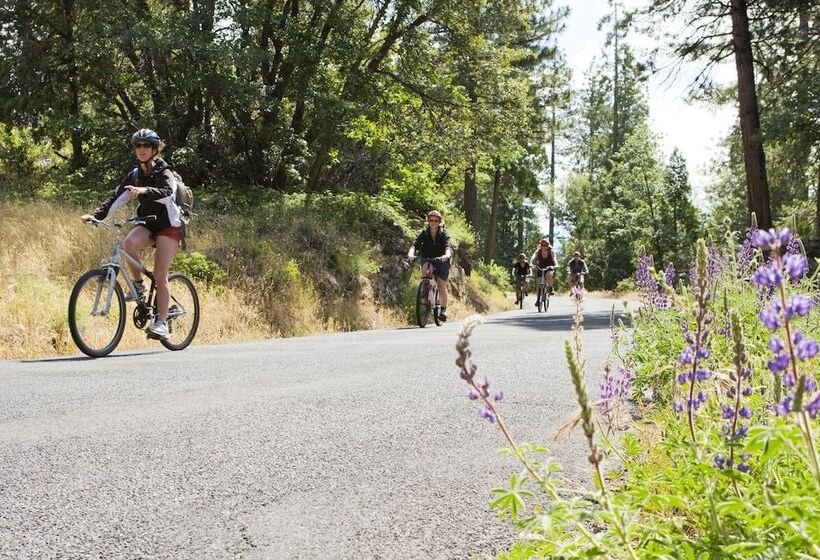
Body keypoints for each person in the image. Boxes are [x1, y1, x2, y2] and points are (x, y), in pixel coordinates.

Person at [81, 129, 185, 341]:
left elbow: (167, 194)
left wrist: (146, 191)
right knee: (129, 243)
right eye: (138, 146)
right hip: (149, 224)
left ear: (155, 149)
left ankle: (162, 323)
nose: (142, 149)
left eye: (147, 145)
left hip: (169, 226)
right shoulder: (135, 175)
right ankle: (138, 286)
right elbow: (117, 198)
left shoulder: (165, 172)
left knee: (159, 274)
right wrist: (96, 216)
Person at [407, 210, 453, 321]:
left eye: (436, 221)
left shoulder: (443, 233)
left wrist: (446, 255)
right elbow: (415, 244)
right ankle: (426, 296)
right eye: (431, 220)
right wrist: (410, 253)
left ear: (439, 222)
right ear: (428, 221)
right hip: (427, 258)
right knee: (425, 275)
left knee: (441, 284)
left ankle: (443, 310)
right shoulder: (424, 233)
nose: (433, 222)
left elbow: (447, 246)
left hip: (441, 259)